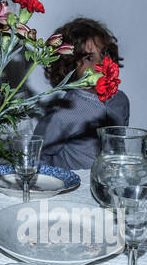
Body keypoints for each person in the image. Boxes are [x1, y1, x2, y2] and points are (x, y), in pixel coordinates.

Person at [33, 18, 129, 170]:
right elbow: (38, 153)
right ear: (69, 66)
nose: (101, 63)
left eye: (103, 53)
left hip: (111, 184)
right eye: (88, 58)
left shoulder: (120, 101)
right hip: (76, 188)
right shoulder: (65, 111)